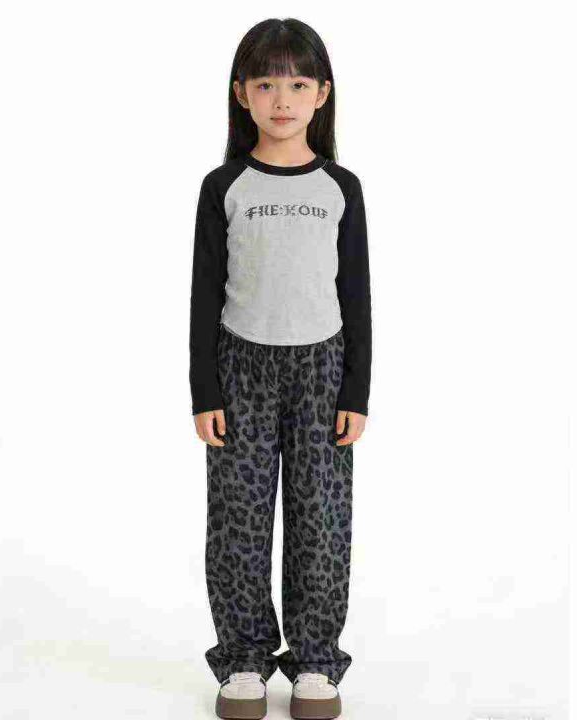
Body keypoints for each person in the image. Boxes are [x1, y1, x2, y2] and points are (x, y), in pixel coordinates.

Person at [189, 17, 372, 720]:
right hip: (240, 366)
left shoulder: (341, 186)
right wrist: (205, 389)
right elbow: (205, 292)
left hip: (323, 367)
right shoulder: (224, 185)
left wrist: (356, 389)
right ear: (242, 93)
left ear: (322, 93)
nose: (282, 100)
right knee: (238, 520)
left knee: (321, 519)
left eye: (297, 85)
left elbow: (355, 293)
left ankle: (316, 661)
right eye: (266, 84)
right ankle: (242, 660)